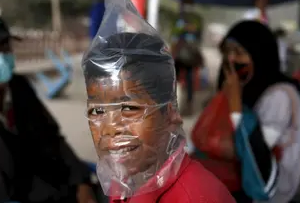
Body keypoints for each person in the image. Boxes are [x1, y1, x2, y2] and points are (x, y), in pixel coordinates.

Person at [0, 12, 95, 203]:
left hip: (62, 188)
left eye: (4, 47)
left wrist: (81, 182)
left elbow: (51, 137)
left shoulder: (18, 86)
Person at [81, 31, 235, 203]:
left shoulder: (197, 197)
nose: (109, 129)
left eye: (129, 108)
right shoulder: (125, 182)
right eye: (97, 111)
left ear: (169, 113)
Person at [195, 21, 300, 203]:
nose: (231, 59)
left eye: (238, 53)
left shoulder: (280, 95)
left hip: (269, 193)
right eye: (227, 52)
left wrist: (235, 103)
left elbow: (253, 153)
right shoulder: (250, 88)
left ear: (259, 55)